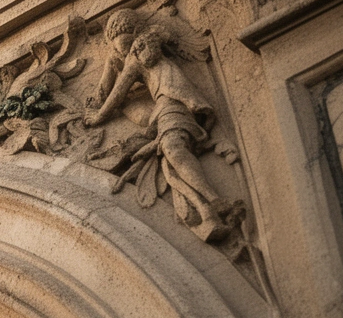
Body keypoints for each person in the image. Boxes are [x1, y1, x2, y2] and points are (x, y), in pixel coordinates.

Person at [86, 15, 236, 241]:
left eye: (127, 46)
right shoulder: (136, 50)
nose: (127, 53)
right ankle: (207, 212)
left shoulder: (139, 51)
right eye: (121, 49)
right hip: (166, 106)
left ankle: (214, 200)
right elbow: (106, 88)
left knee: (173, 148)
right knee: (171, 162)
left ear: (136, 36)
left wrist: (97, 117)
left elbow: (117, 92)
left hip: (173, 103)